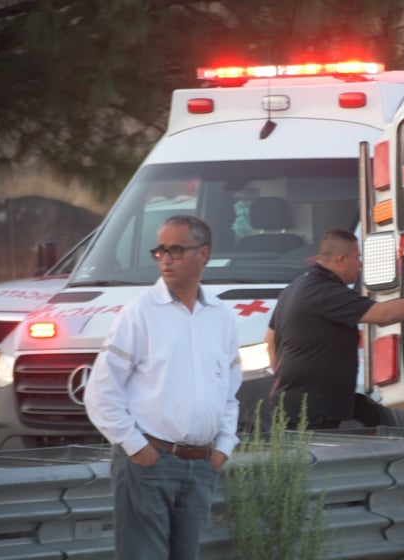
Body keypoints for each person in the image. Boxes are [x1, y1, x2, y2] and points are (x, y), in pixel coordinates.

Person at [84, 215, 242, 560]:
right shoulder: (139, 312)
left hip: (200, 464)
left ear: (203, 253)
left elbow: (229, 393)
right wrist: (136, 447)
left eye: (176, 250)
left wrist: (223, 448)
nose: (166, 259)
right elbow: (100, 391)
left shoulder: (222, 316)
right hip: (149, 463)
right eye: (160, 250)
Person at [265, 228, 404, 430]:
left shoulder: (296, 287)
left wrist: (289, 379)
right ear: (341, 259)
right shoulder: (325, 292)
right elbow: (385, 314)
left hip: (291, 401)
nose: (360, 264)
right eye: (357, 258)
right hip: (312, 408)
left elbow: (270, 340)